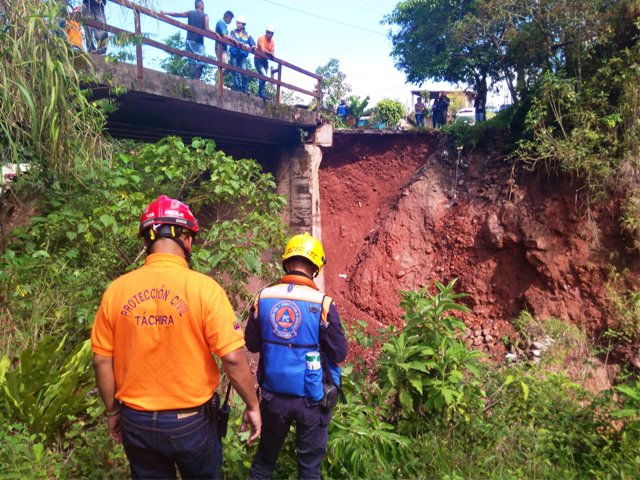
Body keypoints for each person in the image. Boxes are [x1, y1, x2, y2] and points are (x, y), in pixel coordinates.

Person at [91, 195, 261, 479]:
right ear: (188, 239)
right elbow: (232, 358)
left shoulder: (116, 291)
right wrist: (253, 405)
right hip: (190, 423)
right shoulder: (205, 289)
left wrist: (112, 412)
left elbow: (100, 361)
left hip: (136, 421)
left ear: (146, 241)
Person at [245, 233, 348, 480]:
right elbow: (339, 353)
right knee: (309, 470)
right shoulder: (323, 304)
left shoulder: (263, 298)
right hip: (311, 400)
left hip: (273, 398)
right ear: (316, 268)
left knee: (264, 462)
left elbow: (251, 343)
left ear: (286, 262)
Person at [161, 1, 211, 80]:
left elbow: (178, 14)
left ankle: (192, 78)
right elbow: (207, 29)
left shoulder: (190, 13)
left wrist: (166, 13)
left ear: (195, 6)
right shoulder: (205, 16)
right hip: (198, 41)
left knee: (191, 60)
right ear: (203, 7)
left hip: (189, 40)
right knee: (202, 59)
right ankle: (195, 78)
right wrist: (215, 33)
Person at [229, 16, 256, 93]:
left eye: (239, 23)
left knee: (244, 72)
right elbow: (233, 39)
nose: (237, 25)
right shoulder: (233, 31)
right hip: (234, 53)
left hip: (242, 55)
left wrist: (253, 46)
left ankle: (245, 90)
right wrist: (243, 44)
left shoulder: (247, 34)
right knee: (235, 73)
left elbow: (253, 44)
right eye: (237, 23)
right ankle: (237, 89)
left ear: (243, 25)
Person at [255, 25, 275, 100]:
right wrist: (270, 53)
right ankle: (261, 93)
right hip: (258, 59)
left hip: (265, 60)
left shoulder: (272, 41)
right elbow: (262, 49)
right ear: (266, 32)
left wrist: (270, 53)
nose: (269, 34)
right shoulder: (262, 38)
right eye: (268, 33)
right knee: (263, 75)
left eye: (271, 33)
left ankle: (262, 92)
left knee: (264, 77)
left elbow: (273, 51)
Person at [213, 10, 234, 83]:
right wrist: (233, 39)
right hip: (220, 48)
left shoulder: (224, 24)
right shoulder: (221, 23)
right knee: (224, 66)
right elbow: (224, 35)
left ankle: (220, 84)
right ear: (226, 17)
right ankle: (219, 84)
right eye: (230, 19)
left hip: (223, 48)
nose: (230, 21)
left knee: (223, 66)